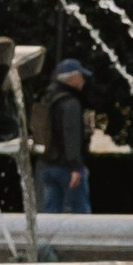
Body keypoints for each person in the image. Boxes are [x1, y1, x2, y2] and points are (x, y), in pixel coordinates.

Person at [37, 59, 92, 217]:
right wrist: (76, 167)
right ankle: (82, 242)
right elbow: (71, 134)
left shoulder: (47, 98)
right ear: (72, 78)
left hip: (47, 164)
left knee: (51, 213)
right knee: (80, 213)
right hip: (67, 167)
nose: (83, 80)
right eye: (80, 76)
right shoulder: (70, 103)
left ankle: (45, 243)